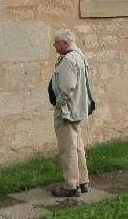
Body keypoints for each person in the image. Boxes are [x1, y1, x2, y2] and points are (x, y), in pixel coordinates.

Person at [49, 29, 91, 197]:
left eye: (56, 43)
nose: (54, 46)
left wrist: (59, 104)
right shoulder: (79, 56)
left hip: (67, 111)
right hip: (76, 109)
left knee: (68, 149)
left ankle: (71, 186)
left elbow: (67, 88)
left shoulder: (68, 60)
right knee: (77, 147)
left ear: (64, 43)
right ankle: (83, 181)